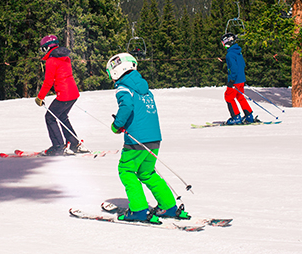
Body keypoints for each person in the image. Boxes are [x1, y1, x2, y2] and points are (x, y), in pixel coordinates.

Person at [106, 53, 190, 224]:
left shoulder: (124, 88)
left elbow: (127, 106)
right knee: (147, 172)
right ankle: (168, 206)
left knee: (126, 171)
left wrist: (117, 125)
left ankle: (138, 209)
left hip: (136, 141)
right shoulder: (145, 89)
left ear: (115, 71)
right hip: (154, 139)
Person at [35, 35, 88, 155]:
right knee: (62, 116)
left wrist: (40, 97)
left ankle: (58, 146)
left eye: (43, 49)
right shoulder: (65, 58)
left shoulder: (51, 61)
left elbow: (48, 82)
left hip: (64, 95)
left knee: (50, 117)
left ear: (47, 48)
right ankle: (74, 144)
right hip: (73, 93)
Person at [221, 33, 258, 125]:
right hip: (241, 79)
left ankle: (236, 117)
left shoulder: (229, 54)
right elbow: (242, 64)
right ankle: (249, 115)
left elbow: (233, 68)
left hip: (235, 80)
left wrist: (232, 81)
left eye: (223, 43)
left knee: (228, 97)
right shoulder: (238, 51)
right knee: (240, 96)